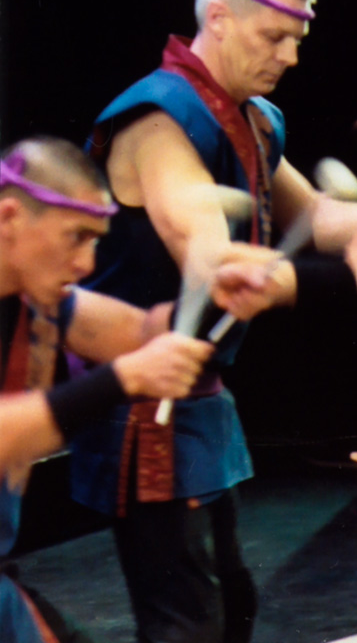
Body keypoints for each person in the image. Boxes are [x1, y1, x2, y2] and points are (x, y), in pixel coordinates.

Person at [78, 0, 357, 643]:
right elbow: (217, 268)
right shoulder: (158, 118)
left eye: (297, 39)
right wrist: (354, 274)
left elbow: (313, 215)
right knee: (186, 620)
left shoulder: (255, 117)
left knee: (230, 602)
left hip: (198, 392)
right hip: (142, 403)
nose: (291, 56)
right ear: (219, 18)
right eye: (275, 37)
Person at [0, 137, 213, 643]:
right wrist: (126, 378)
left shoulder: (38, 301)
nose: (88, 263)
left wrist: (217, 296)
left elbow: (142, 333)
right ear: (9, 218)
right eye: (76, 237)